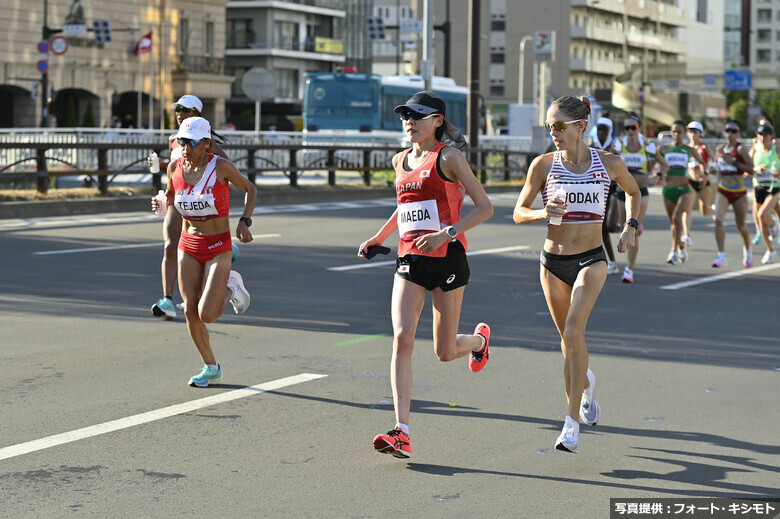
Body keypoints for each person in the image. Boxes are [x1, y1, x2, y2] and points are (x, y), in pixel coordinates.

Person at [358, 91, 494, 459]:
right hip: (410, 260)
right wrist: (379, 237)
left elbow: (485, 207)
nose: (409, 121)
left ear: (437, 121)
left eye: (418, 115)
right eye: (405, 115)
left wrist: (445, 234)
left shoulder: (448, 157)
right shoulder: (400, 159)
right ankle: (401, 431)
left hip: (448, 257)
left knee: (444, 351)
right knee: (402, 338)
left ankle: (479, 343)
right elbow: (405, 207)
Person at [513, 95, 640, 453]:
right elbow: (519, 212)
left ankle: (570, 423)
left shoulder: (609, 163)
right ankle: (586, 384)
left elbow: (634, 192)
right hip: (552, 262)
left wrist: (630, 226)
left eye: (559, 126)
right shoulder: (543, 165)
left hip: (591, 259)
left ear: (580, 126)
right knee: (568, 344)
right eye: (549, 126)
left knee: (573, 331)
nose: (553, 132)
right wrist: (542, 214)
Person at [151, 117, 257, 387]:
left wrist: (244, 221)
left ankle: (232, 285)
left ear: (207, 143)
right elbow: (171, 196)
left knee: (207, 313)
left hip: (218, 247)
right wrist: (161, 202)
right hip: (189, 244)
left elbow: (250, 189)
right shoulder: (175, 167)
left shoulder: (220, 167)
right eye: (181, 141)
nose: (185, 147)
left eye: (192, 143)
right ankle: (211, 366)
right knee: (190, 312)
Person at [150, 95, 230, 319]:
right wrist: (160, 166)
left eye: (185, 110)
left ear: (196, 113)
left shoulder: (206, 142)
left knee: (196, 249)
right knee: (169, 246)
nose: (179, 113)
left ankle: (224, 255)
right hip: (178, 200)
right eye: (178, 109)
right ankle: (167, 299)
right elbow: (176, 168)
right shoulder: (173, 139)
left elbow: (227, 170)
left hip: (200, 204)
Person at [613, 113, 667, 283]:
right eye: (626, 128)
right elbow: (607, 163)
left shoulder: (648, 146)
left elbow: (664, 165)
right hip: (622, 192)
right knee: (624, 228)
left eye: (633, 127)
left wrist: (656, 177)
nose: (630, 131)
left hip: (641, 192)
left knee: (631, 230)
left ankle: (629, 269)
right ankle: (637, 225)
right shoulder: (619, 144)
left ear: (639, 128)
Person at [658, 120, 706, 264]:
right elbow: (653, 162)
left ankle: (673, 252)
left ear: (684, 133)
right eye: (673, 131)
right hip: (668, 190)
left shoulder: (689, 150)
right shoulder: (663, 149)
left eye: (679, 132)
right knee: (673, 223)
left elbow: (702, 163)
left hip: (684, 190)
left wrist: (704, 175)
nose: (676, 134)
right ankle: (681, 245)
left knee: (676, 219)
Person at [712, 121, 754, 268]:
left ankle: (748, 250)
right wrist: (713, 169)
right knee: (718, 220)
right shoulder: (720, 149)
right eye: (728, 130)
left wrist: (735, 163)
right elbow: (718, 167)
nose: (730, 134)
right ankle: (721, 255)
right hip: (723, 189)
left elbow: (752, 169)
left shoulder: (741, 149)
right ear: (724, 132)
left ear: (739, 134)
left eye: (734, 131)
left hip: (739, 193)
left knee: (741, 225)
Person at [588, 117, 619, 276]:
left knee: (610, 225)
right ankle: (611, 261)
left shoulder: (616, 146)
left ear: (610, 131)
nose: (601, 132)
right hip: (598, 190)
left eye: (604, 129)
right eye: (599, 129)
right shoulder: (591, 147)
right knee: (600, 226)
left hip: (615, 188)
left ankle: (628, 224)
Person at [749, 123, 780, 264]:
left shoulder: (777, 150)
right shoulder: (755, 150)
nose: (762, 137)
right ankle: (771, 250)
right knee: (760, 219)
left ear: (771, 136)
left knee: (762, 214)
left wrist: (777, 173)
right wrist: (756, 168)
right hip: (759, 187)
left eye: (765, 135)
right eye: (760, 134)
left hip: (774, 187)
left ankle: (774, 225)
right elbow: (748, 168)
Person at [682, 121, 716, 246]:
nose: (692, 134)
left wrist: (707, 175)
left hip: (703, 181)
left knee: (705, 211)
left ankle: (714, 212)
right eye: (690, 131)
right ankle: (687, 235)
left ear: (700, 133)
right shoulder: (685, 148)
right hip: (690, 181)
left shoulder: (704, 147)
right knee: (687, 209)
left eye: (695, 131)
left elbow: (712, 160)